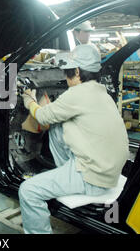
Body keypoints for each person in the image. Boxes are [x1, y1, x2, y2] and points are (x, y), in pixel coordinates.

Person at [18, 44, 129, 234]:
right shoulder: (101, 92)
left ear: (77, 72)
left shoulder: (77, 94)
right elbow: (55, 118)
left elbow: (43, 116)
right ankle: (64, 173)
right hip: (109, 169)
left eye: (68, 72)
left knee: (28, 191)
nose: (66, 77)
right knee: (57, 127)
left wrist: (29, 100)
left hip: (93, 178)